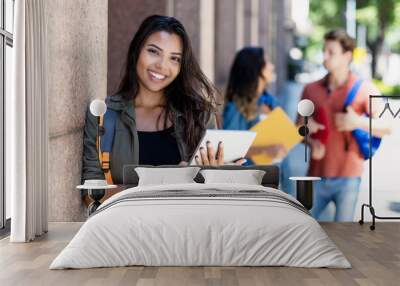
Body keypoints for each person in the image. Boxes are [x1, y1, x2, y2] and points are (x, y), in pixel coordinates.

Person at [82, 15, 245, 188]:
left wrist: (215, 177)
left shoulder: (200, 115)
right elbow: (91, 193)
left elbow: (214, 195)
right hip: (125, 216)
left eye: (174, 58)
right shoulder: (103, 115)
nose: (162, 65)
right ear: (136, 51)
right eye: (153, 51)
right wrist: (168, 182)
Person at [298, 29, 392, 221]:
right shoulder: (310, 89)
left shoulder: (364, 89)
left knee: (343, 237)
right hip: (315, 176)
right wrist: (309, 139)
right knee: (303, 230)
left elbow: (388, 126)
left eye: (331, 52)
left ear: (347, 55)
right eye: (324, 50)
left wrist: (356, 122)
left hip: (348, 177)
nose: (324, 56)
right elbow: (297, 129)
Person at [223, 46, 286, 162]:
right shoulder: (235, 107)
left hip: (277, 175)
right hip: (251, 176)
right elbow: (228, 148)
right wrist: (264, 150)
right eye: (267, 62)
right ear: (255, 69)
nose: (272, 66)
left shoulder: (273, 102)